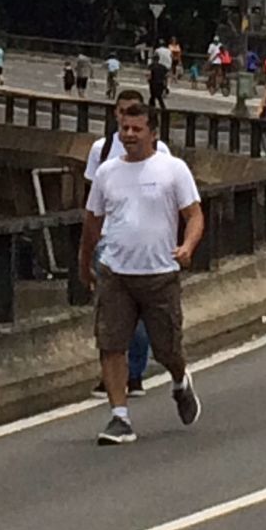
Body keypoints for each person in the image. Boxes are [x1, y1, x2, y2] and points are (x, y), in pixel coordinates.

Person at [80, 103, 204, 445]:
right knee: (111, 344)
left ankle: (180, 380)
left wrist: (188, 247)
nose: (130, 135)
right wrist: (84, 263)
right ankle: (119, 417)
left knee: (166, 349)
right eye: (125, 128)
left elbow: (194, 215)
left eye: (137, 129)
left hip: (159, 273)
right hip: (115, 273)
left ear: (152, 133)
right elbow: (92, 223)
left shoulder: (172, 169)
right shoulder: (107, 172)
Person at [83, 89, 171, 401]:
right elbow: (93, 202)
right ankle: (115, 384)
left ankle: (135, 372)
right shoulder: (102, 151)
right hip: (109, 243)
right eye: (122, 116)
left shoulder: (162, 156)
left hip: (146, 248)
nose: (127, 126)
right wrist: (87, 254)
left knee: (141, 317)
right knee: (111, 316)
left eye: (134, 121)